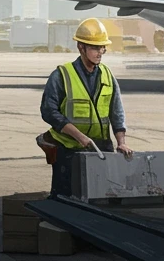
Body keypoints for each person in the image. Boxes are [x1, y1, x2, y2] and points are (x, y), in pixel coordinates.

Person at [39, 18, 134, 197]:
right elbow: (49, 111)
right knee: (65, 196)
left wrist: (121, 142)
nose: (100, 52)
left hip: (100, 146)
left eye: (102, 48)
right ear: (81, 48)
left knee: (101, 196)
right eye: (95, 48)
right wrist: (79, 136)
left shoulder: (107, 75)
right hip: (68, 148)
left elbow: (116, 112)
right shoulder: (62, 75)